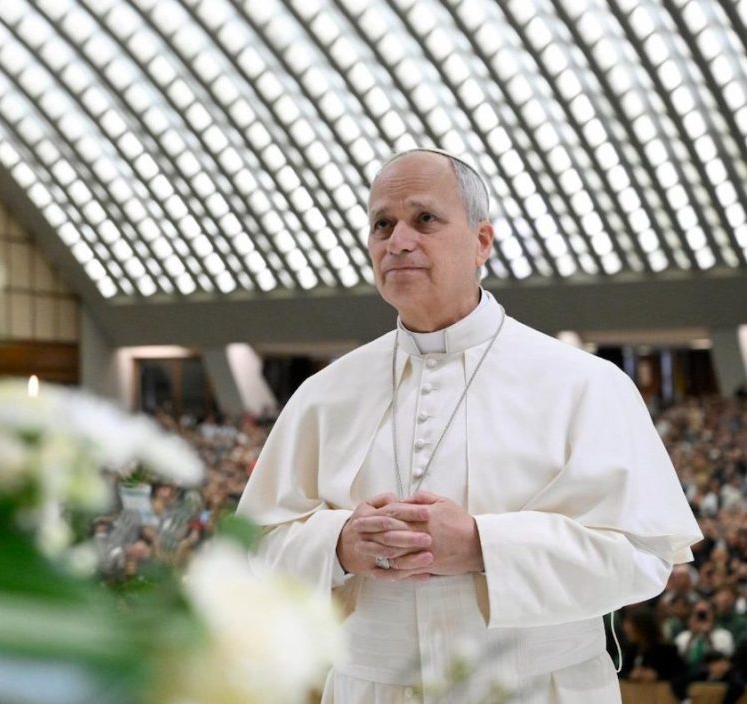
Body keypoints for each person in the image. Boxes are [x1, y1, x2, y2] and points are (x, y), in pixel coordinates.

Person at [236, 148, 702, 702]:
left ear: (482, 242)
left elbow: (644, 556)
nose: (398, 241)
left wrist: (483, 545)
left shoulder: (585, 383)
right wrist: (338, 546)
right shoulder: (323, 395)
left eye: (424, 219)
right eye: (382, 224)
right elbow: (251, 550)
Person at [619, 607, 687, 683]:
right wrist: (630, 675)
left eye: (631, 630)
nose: (627, 631)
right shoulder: (631, 650)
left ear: (642, 629)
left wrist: (657, 675)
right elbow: (621, 673)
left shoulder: (666, 651)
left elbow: (681, 675)